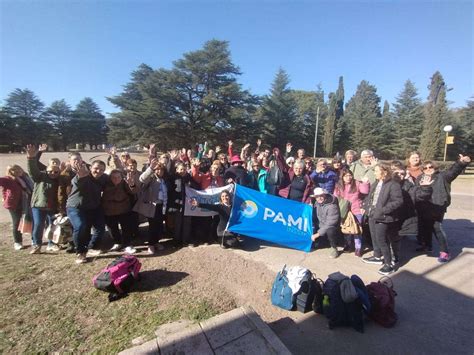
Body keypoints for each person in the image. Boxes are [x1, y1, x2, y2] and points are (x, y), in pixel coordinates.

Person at [415, 155, 471, 262]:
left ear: (435, 167)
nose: (428, 169)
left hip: (437, 207)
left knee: (437, 229)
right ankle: (427, 246)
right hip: (423, 207)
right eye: (425, 168)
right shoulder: (420, 178)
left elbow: (453, 171)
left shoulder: (443, 176)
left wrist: (461, 162)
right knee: (425, 227)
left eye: (430, 167)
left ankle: (445, 252)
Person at [362, 163, 403, 275]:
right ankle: (377, 256)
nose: (374, 173)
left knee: (382, 240)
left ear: (384, 172)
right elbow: (370, 197)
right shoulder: (376, 182)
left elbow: (398, 201)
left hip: (383, 217)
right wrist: (365, 207)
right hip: (372, 214)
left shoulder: (393, 184)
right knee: (374, 237)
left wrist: (383, 210)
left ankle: (389, 264)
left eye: (376, 171)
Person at [66, 160, 108, 264]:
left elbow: (118, 174)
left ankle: (92, 247)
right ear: (90, 168)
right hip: (76, 207)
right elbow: (77, 182)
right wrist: (80, 176)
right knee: (80, 226)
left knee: (100, 227)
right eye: (96, 168)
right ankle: (80, 252)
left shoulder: (103, 178)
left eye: (102, 169)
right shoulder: (83, 176)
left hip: (93, 207)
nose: (98, 171)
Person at [26, 144, 61, 253]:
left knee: (53, 226)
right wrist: (31, 158)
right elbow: (32, 170)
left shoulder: (60, 179)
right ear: (46, 170)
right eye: (50, 171)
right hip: (38, 205)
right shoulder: (40, 176)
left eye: (56, 172)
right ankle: (37, 245)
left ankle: (52, 244)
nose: (53, 173)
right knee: (38, 225)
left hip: (53, 207)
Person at [333, 169, 370, 256]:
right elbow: (335, 196)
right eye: (346, 176)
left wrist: (365, 183)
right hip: (344, 211)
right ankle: (348, 245)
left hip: (356, 209)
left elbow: (365, 191)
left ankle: (358, 247)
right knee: (346, 229)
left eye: (350, 175)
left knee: (357, 230)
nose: (348, 177)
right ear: (342, 177)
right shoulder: (339, 185)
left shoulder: (357, 183)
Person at [0, 164, 34, 250]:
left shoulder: (25, 177)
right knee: (17, 222)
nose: (17, 171)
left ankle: (34, 240)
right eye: (13, 170)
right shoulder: (8, 179)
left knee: (30, 220)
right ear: (10, 172)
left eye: (18, 169)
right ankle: (17, 242)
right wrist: (4, 197)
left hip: (27, 203)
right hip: (14, 204)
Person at [102, 169, 136, 254]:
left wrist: (131, 184)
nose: (116, 179)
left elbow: (134, 192)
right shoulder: (105, 184)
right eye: (113, 177)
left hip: (124, 209)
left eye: (118, 177)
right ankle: (117, 242)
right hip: (109, 210)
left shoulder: (124, 183)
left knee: (126, 228)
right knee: (112, 228)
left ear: (121, 177)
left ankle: (127, 244)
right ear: (110, 178)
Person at [138, 159, 168, 254]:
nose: (160, 171)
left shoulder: (163, 180)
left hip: (161, 206)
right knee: (152, 226)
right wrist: (150, 168)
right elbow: (142, 179)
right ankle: (150, 244)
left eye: (162, 170)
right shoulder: (151, 179)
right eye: (158, 169)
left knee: (159, 225)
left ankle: (156, 242)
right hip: (152, 206)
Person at [311, 187, 342, 258]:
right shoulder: (316, 203)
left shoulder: (332, 206)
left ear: (325, 195)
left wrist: (317, 234)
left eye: (321, 196)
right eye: (317, 197)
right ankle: (324, 242)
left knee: (330, 230)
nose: (319, 198)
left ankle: (334, 248)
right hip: (321, 226)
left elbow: (330, 223)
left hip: (333, 228)